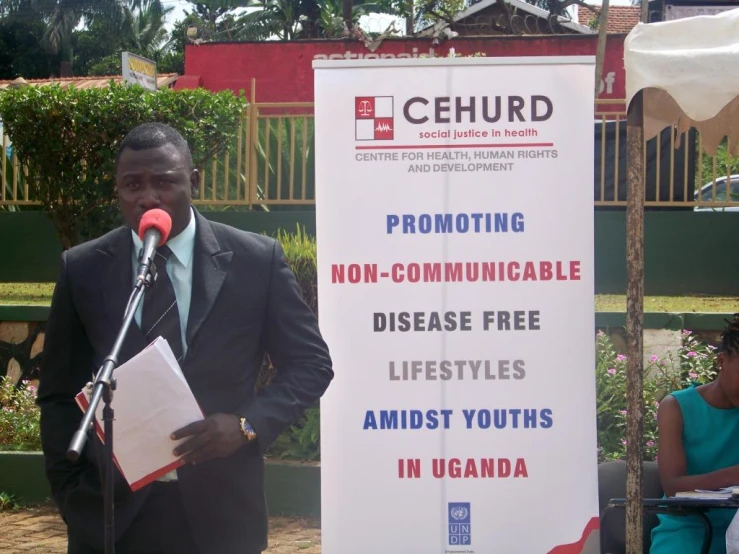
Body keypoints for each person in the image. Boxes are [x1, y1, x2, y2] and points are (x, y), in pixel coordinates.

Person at [36, 122, 334, 554]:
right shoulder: (83, 268)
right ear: (117, 190)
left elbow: (311, 365)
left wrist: (247, 425)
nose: (148, 197)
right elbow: (59, 394)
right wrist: (70, 494)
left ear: (193, 182)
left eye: (164, 182)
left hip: (221, 513)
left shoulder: (255, 260)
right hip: (111, 516)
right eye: (132, 185)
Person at [650, 315, 739, 554]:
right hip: (688, 531)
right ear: (721, 361)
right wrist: (734, 475)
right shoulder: (676, 407)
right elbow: (673, 486)